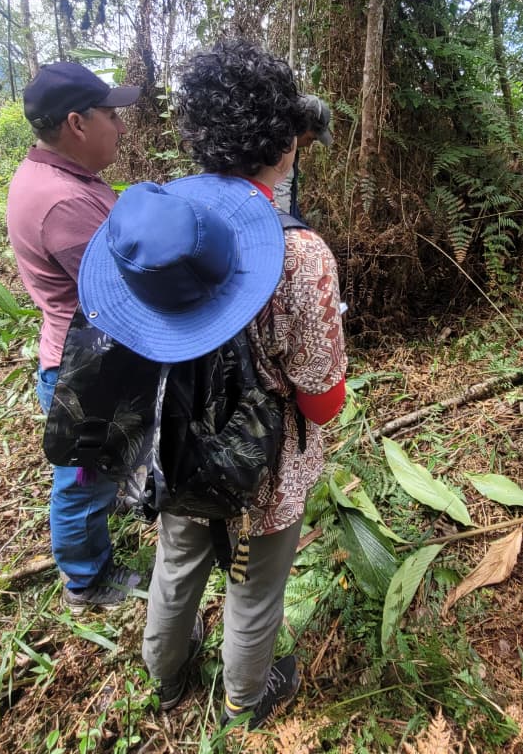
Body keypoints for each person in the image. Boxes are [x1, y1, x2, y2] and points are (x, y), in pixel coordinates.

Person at [79, 40, 347, 729]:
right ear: (286, 143)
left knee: (178, 561)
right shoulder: (300, 255)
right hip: (263, 463)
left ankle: (166, 679)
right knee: (255, 586)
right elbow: (322, 394)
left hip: (173, 446)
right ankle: (245, 700)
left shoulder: (163, 226)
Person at [5, 61, 142, 612]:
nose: (121, 127)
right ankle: (87, 581)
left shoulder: (61, 180)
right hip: (86, 371)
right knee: (83, 479)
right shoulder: (63, 202)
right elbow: (125, 287)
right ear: (77, 124)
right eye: (111, 115)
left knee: (98, 467)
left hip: (83, 354)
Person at [272, 93, 334, 218]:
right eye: (311, 138)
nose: (309, 144)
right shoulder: (282, 149)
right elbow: (280, 196)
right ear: (301, 126)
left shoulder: (290, 147)